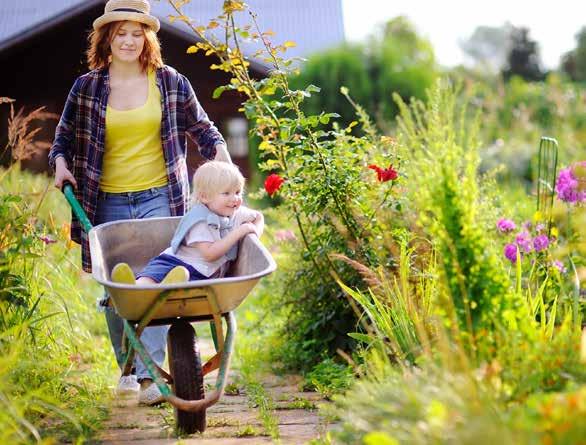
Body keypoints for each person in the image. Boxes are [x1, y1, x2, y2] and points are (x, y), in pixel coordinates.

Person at [48, 0, 231, 405]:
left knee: (157, 281)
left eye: (136, 33)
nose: (129, 41)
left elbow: (204, 128)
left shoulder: (169, 81)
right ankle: (129, 370)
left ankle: (150, 379)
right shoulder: (87, 87)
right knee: (118, 288)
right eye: (120, 33)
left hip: (161, 196)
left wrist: (222, 159)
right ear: (107, 39)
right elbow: (62, 137)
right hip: (106, 200)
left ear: (147, 38)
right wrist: (60, 164)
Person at [111, 161, 263, 287]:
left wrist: (253, 233)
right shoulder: (199, 221)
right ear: (204, 197)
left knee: (186, 283)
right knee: (152, 276)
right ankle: (133, 288)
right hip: (174, 261)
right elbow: (210, 254)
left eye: (238, 192)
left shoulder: (236, 213)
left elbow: (258, 217)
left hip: (202, 274)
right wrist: (241, 231)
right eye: (226, 193)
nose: (234, 199)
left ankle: (169, 287)